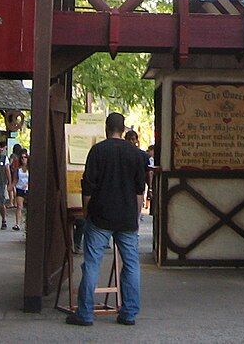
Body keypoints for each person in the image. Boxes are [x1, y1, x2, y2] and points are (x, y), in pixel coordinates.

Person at [66, 112, 148, 327]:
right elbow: (140, 191)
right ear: (123, 129)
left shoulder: (97, 151)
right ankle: (129, 313)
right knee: (131, 265)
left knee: (92, 263)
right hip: (127, 217)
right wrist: (136, 216)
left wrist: (86, 212)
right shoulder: (138, 155)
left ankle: (85, 313)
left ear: (106, 128)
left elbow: (88, 186)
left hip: (101, 215)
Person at [11, 150, 29, 231]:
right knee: (19, 206)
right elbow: (15, 179)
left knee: (29, 207)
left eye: (25, 157)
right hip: (20, 188)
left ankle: (27, 223)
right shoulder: (18, 169)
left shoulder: (30, 169)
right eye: (22, 158)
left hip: (28, 189)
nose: (23, 159)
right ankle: (17, 224)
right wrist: (11, 186)